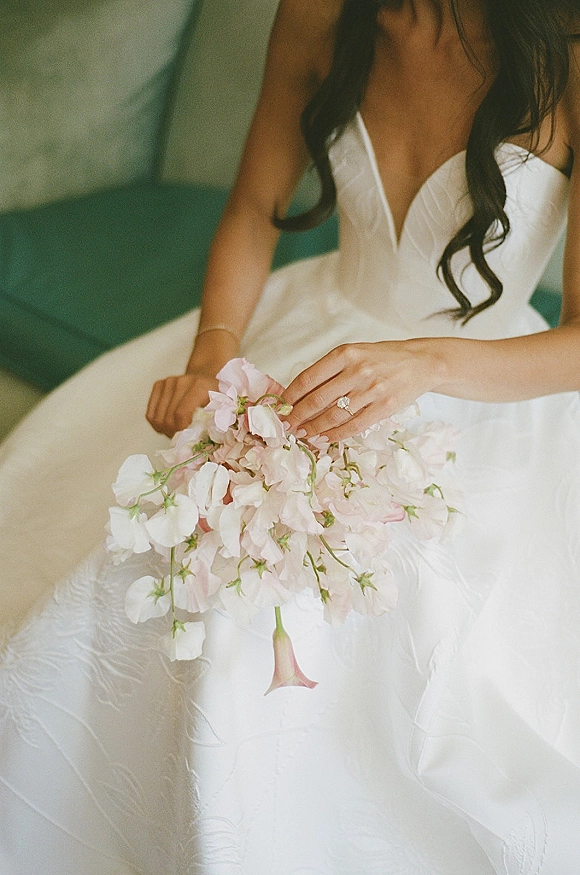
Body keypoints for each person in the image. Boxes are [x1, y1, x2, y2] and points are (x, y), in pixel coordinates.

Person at [0, 1, 579, 872]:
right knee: (172, 561)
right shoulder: (318, 15)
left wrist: (425, 363)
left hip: (490, 387)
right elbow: (249, 212)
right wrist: (212, 355)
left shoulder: (567, 60)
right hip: (313, 339)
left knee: (395, 632)